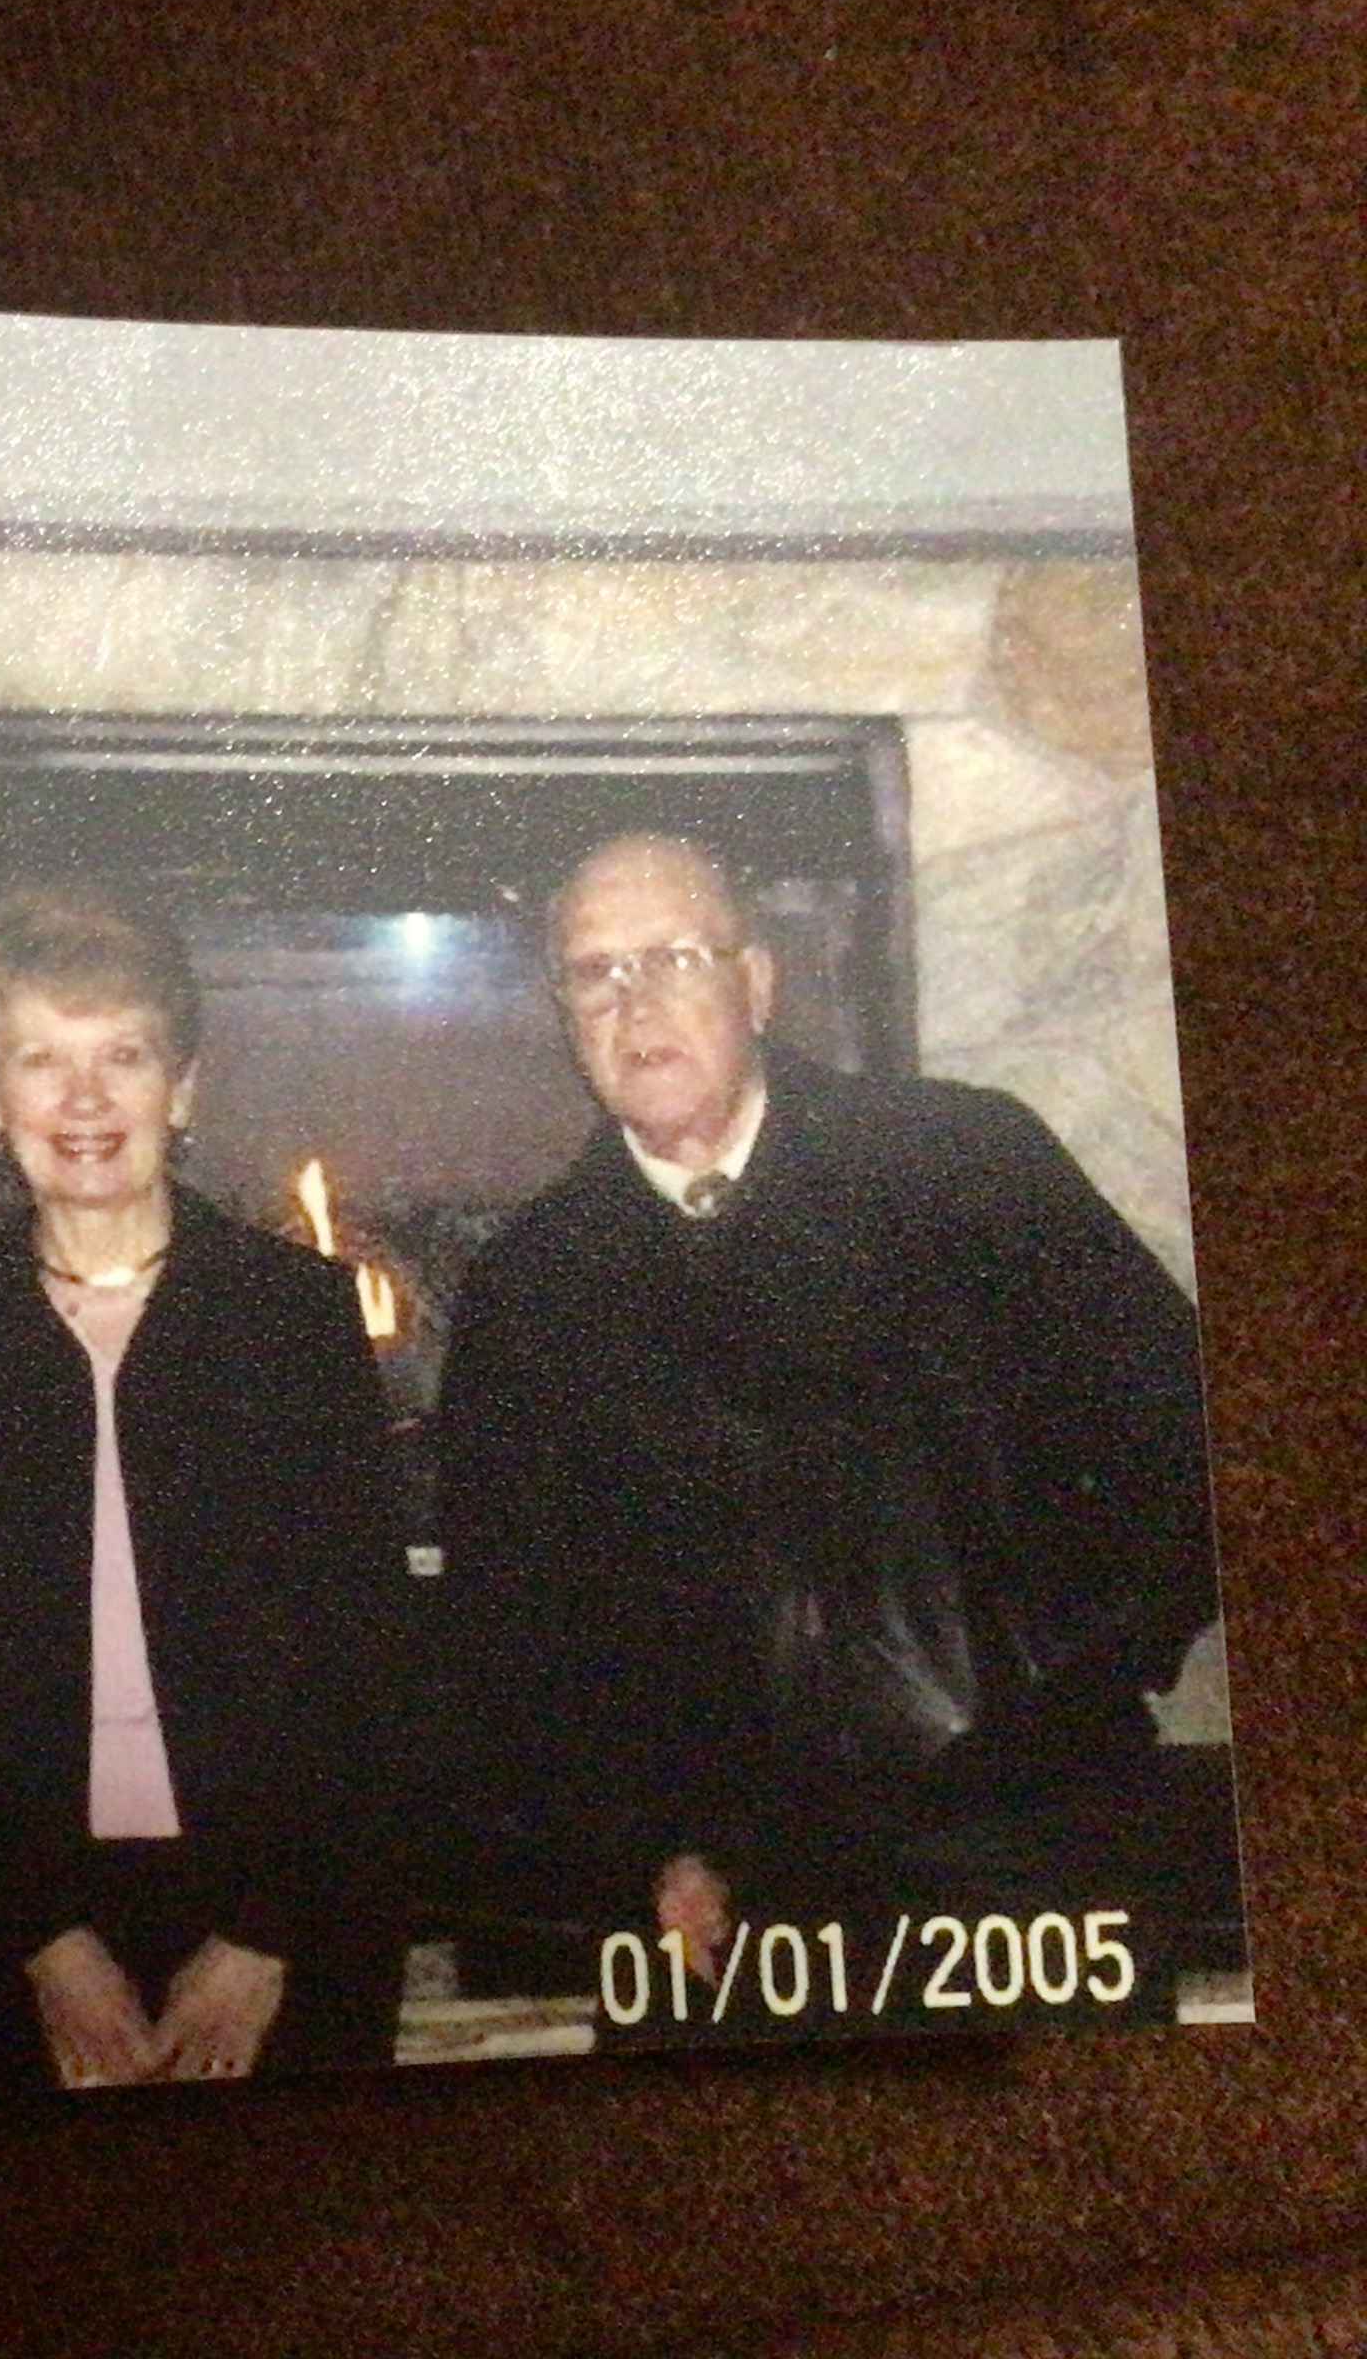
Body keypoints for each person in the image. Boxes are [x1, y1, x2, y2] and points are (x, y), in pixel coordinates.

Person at [432, 832, 1222, 1996]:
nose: (634, 1002)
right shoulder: (531, 1288)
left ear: (755, 983)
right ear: (564, 1015)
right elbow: (511, 1625)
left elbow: (1187, 1430)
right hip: (733, 1897)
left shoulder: (963, 1161)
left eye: (674, 957)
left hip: (1036, 1841)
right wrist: (644, 1842)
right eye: (595, 972)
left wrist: (1075, 1687)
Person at [0, 883, 412, 2093]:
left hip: (274, 1911)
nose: (83, 1101)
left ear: (180, 1090)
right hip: (9, 1915)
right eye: (41, 1061)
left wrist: (262, 1939)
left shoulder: (296, 1322)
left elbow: (367, 1660)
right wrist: (47, 1944)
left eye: (123, 1057)